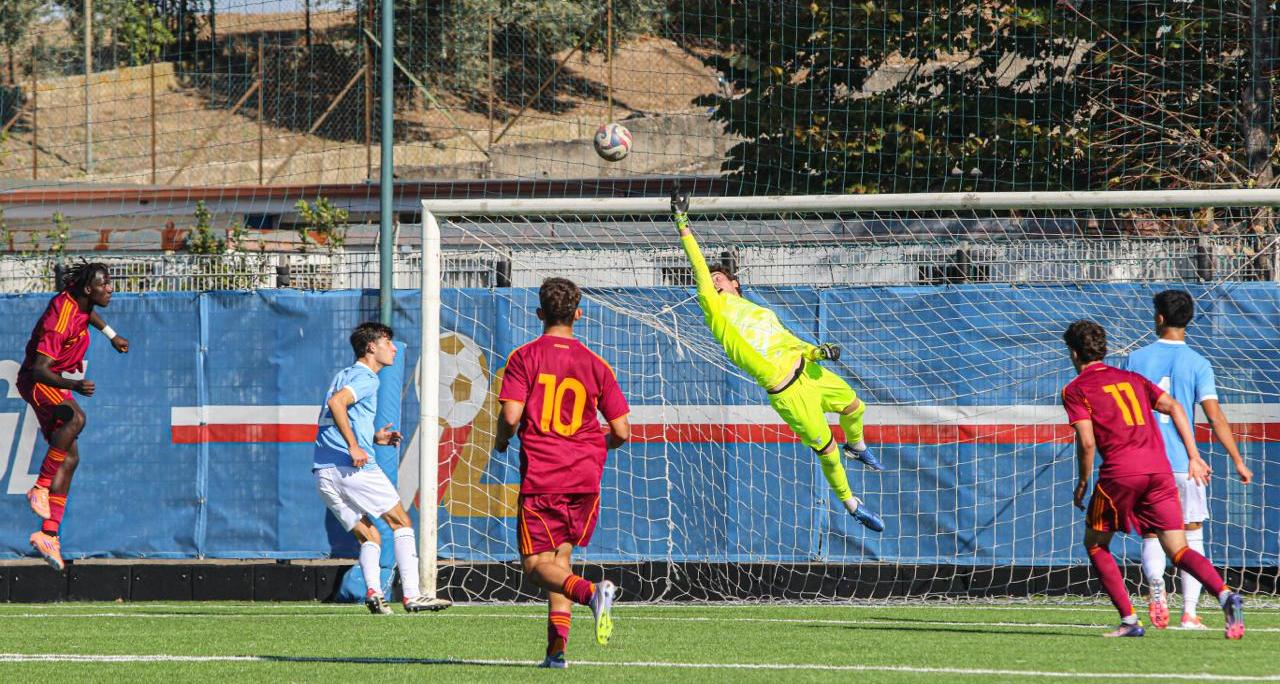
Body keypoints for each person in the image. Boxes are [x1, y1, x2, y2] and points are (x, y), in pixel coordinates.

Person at [669, 190, 884, 532]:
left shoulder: (762, 313)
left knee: (855, 407)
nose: (712, 281)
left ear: (735, 284)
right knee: (827, 451)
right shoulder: (716, 309)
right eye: (709, 281)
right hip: (787, 393)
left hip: (810, 372)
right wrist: (682, 222)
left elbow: (790, 342)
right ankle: (851, 503)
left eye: (719, 278)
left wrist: (819, 352)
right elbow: (698, 263)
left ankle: (856, 446)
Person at [1061, 320, 1244, 639]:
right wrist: (1192, 454)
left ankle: (1130, 621)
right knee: (1178, 548)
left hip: (1121, 472)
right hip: (1160, 471)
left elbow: (1088, 443)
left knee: (1095, 544)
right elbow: (1173, 406)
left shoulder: (1076, 389)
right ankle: (1226, 594)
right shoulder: (1132, 378)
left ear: (1074, 353)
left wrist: (1082, 482)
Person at [495, 277, 631, 669]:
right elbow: (622, 431)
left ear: (539, 314)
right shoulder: (595, 363)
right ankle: (556, 653)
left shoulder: (525, 357)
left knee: (537, 568)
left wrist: (503, 440)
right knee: (560, 561)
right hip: (586, 478)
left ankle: (592, 593)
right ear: (578, 314)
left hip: (544, 475)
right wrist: (590, 447)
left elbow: (510, 415)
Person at [1125, 290, 1253, 630]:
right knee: (1190, 532)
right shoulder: (1198, 362)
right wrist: (1238, 460)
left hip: (1145, 463)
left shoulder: (1135, 360)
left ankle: (1156, 591)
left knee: (1152, 533)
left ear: (1159, 318)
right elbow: (1215, 417)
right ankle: (1190, 613)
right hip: (1185, 464)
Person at [314, 322, 450, 614]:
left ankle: (374, 593)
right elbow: (337, 404)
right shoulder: (367, 378)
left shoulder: (343, 375)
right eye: (387, 342)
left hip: (324, 471)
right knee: (401, 522)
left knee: (370, 536)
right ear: (371, 347)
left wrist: (373, 438)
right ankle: (413, 595)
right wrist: (354, 445)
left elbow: (338, 412)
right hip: (351, 468)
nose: (393, 349)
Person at [18, 261, 129, 570]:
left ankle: (48, 534)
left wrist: (111, 334)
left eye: (109, 282)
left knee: (70, 458)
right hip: (38, 381)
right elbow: (39, 369)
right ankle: (39, 487)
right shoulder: (61, 317)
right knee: (76, 419)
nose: (110, 288)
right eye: (104, 283)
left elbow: (87, 314)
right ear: (86, 288)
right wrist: (74, 385)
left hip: (53, 380)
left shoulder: (80, 303)